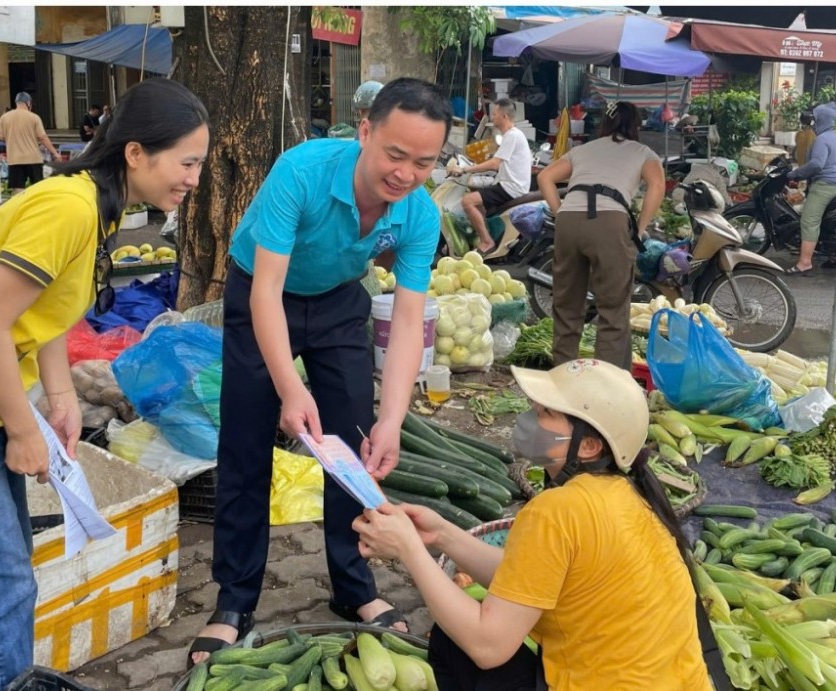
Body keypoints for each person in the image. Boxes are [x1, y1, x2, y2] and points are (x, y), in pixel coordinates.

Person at [0, 78, 209, 691]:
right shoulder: (69, 207)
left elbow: (47, 315)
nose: (193, 178)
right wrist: (20, 426)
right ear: (136, 153)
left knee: (5, 575)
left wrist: (58, 399)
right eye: (187, 162)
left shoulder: (95, 207)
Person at [187, 77, 452, 667]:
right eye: (394, 154)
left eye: (425, 162)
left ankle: (354, 589)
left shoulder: (420, 214)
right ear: (364, 131)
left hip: (337, 300)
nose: (406, 173)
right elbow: (267, 292)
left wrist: (393, 418)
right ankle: (234, 602)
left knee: (355, 451)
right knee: (246, 445)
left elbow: (408, 321)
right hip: (262, 292)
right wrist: (290, 387)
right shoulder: (301, 172)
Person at [353, 359, 712, 691]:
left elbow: (487, 646)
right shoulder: (629, 495)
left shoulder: (557, 510)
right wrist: (443, 535)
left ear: (587, 446)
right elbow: (525, 577)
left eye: (545, 413)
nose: (528, 419)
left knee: (455, 644)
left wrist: (410, 550)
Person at [537, 100, 664, 370]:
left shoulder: (583, 149)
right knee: (612, 310)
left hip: (570, 220)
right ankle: (607, 384)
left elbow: (545, 177)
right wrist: (640, 228)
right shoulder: (643, 152)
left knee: (567, 306)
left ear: (605, 124)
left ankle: (562, 377)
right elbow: (657, 184)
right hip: (610, 220)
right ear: (637, 126)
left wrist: (560, 213)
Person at [452, 99, 533, 255]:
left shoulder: (512, 136)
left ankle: (487, 241)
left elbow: (494, 164)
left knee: (467, 201)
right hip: (510, 184)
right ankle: (483, 235)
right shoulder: (513, 135)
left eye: (494, 114)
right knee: (478, 202)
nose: (492, 117)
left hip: (511, 187)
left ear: (504, 116)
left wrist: (465, 169)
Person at [785, 101, 836, 275]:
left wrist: (795, 174)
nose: (813, 122)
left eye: (815, 118)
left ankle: (805, 262)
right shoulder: (833, 137)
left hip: (825, 186)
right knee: (828, 221)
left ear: (820, 120)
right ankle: (833, 256)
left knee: (809, 221)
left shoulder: (822, 139)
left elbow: (816, 165)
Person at [0, 91, 62, 195]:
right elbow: (43, 137)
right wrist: (54, 153)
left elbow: (0, 137)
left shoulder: (4, 118)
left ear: (16, 102)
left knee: (18, 190)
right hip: (33, 159)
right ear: (28, 103)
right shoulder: (34, 117)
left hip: (15, 159)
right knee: (37, 188)